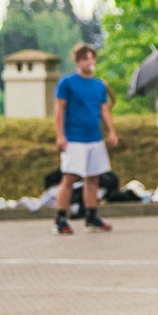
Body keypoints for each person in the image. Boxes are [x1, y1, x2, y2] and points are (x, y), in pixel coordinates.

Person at [52, 42, 117, 234]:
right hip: (74, 138)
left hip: (94, 138)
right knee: (70, 177)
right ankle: (60, 218)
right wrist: (60, 135)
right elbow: (59, 109)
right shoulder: (67, 83)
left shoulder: (99, 85)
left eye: (92, 58)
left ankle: (91, 216)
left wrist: (111, 131)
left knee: (93, 177)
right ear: (78, 61)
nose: (90, 62)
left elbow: (104, 110)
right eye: (85, 59)